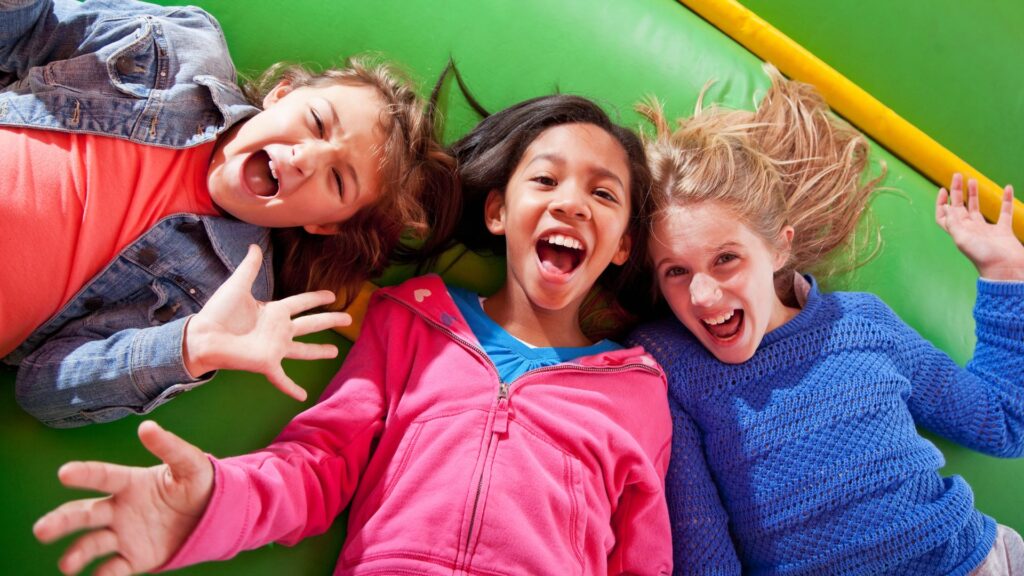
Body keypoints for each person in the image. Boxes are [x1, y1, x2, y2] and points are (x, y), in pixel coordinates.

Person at [32, 94, 674, 575]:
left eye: (604, 194)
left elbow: (646, 560)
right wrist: (207, 505)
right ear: (498, 211)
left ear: (622, 246)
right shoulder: (411, 321)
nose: (571, 203)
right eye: (545, 179)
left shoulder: (637, 393)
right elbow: (319, 467)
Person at [628, 66, 1024, 575]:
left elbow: (1003, 421)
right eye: (676, 271)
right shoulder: (674, 367)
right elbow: (702, 542)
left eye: (726, 259)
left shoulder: (862, 325)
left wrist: (1005, 273)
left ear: (777, 248)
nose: (703, 295)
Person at [0, 0, 458, 427]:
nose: (305, 159)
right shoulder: (180, 47)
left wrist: (188, 347)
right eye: (317, 123)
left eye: (338, 181)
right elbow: (31, 27)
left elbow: (43, 388)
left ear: (326, 225)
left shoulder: (231, 295)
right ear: (281, 94)